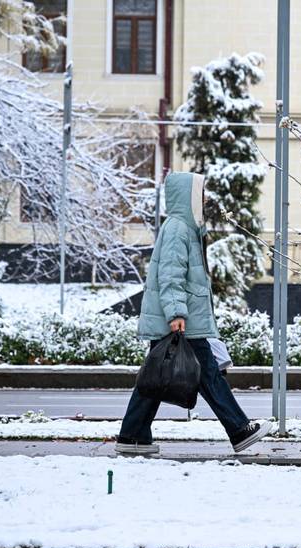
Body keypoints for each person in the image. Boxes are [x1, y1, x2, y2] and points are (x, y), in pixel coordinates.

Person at [116, 172, 272, 455]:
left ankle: (132, 435)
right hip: (180, 321)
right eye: (199, 194)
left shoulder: (185, 228)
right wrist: (177, 313)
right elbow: (171, 275)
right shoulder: (178, 228)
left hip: (184, 320)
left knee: (157, 376)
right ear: (187, 197)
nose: (204, 199)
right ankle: (239, 430)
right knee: (204, 376)